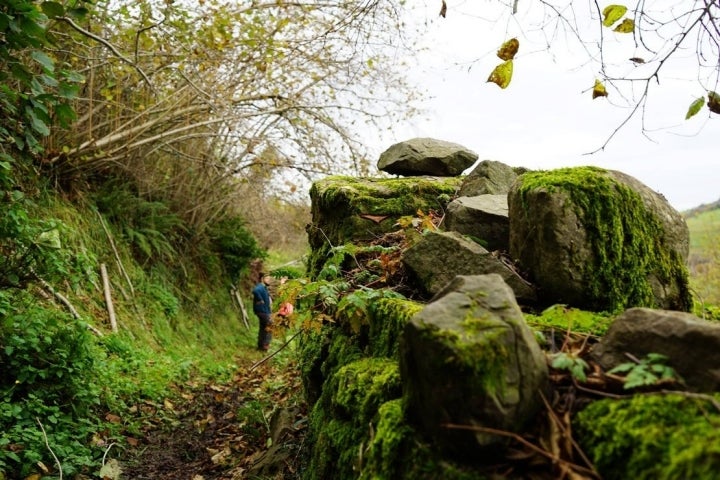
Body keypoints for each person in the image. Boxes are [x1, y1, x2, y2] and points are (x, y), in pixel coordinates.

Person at [252, 272, 273, 351]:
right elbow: (255, 291)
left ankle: (260, 346)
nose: (269, 280)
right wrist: (260, 299)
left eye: (269, 279)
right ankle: (265, 345)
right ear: (262, 279)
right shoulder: (260, 287)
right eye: (267, 279)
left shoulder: (264, 288)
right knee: (270, 326)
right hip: (262, 311)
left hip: (265, 311)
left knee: (263, 328)